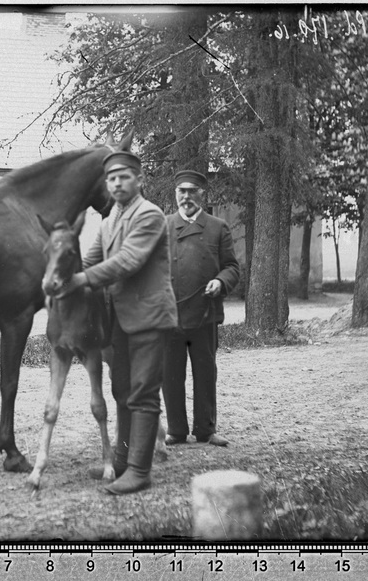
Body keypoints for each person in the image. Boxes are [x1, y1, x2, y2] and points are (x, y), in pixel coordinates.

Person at [57, 151, 177, 495]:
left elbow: (128, 261)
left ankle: (140, 471)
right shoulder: (108, 222)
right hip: (120, 319)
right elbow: (90, 258)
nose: (117, 183)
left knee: (142, 391)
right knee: (120, 389)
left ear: (139, 181)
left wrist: (81, 281)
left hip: (150, 317)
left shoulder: (150, 215)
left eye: (124, 177)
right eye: (111, 179)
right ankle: (122, 462)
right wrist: (59, 271)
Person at [162, 170, 240, 447]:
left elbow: (232, 267)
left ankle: (206, 430)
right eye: (181, 192)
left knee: (205, 373)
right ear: (176, 195)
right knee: (170, 375)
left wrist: (221, 282)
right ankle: (176, 430)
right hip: (170, 316)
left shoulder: (218, 227)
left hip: (205, 313)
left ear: (201, 195)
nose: (186, 197)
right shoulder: (164, 226)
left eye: (192, 191)